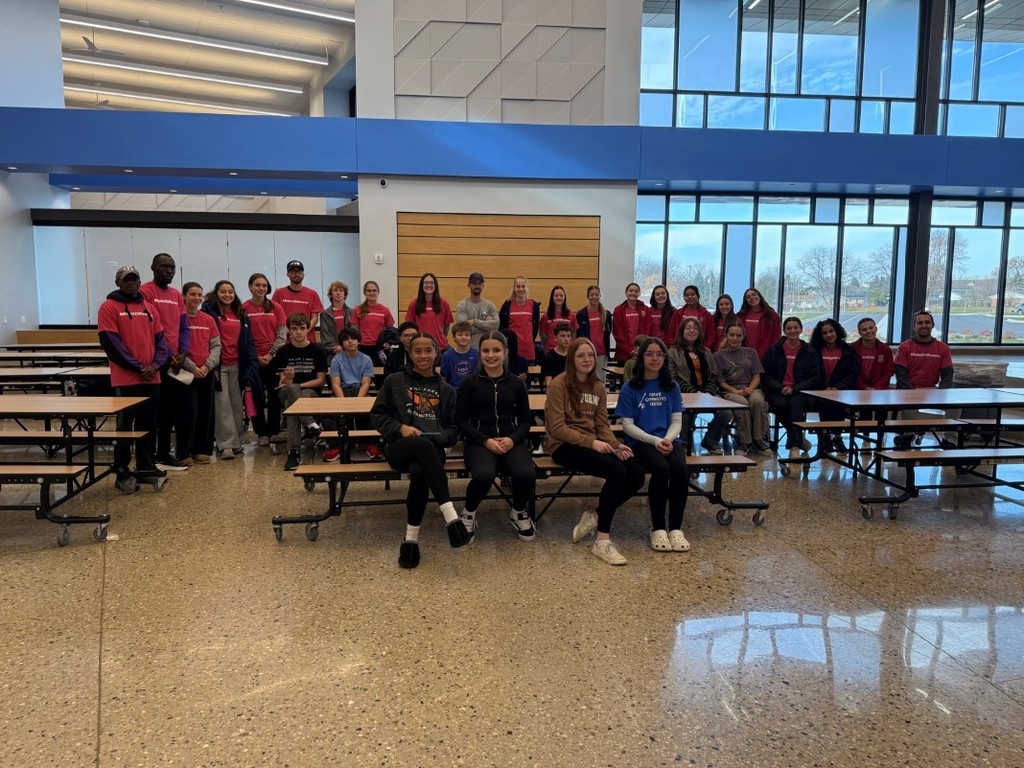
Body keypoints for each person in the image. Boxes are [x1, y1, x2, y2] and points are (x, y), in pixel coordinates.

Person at [370, 333, 471, 568]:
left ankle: (411, 541)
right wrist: (400, 427)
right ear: (410, 353)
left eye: (428, 351)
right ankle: (451, 516)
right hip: (399, 447)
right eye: (418, 351)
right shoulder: (395, 381)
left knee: (420, 470)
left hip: (431, 453)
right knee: (422, 448)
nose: (423, 356)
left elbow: (453, 430)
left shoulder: (446, 391)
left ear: (436, 354)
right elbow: (377, 416)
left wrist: (438, 437)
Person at [545, 338, 645, 566]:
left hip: (592, 442)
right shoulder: (559, 385)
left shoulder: (598, 387)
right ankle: (602, 541)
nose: (587, 360)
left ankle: (595, 515)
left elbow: (602, 426)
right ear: (572, 359)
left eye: (590, 355)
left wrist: (615, 444)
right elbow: (558, 428)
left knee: (636, 473)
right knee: (617, 472)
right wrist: (593, 443)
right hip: (562, 446)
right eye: (581, 355)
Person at [456, 331, 536, 542]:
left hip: (511, 439)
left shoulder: (516, 384)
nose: (491, 355)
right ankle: (468, 513)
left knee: (526, 473)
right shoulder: (469, 383)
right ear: (479, 353)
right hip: (479, 441)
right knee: (483, 475)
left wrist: (513, 439)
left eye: (496, 350)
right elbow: (461, 422)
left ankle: (518, 511)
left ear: (505, 353)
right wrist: (485, 441)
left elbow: (526, 421)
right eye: (486, 351)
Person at [615, 336, 690, 553]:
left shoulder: (672, 386)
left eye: (659, 354)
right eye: (649, 354)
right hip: (640, 442)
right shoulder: (630, 387)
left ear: (665, 358)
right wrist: (655, 440)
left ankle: (676, 527)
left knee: (678, 467)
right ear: (642, 357)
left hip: (668, 439)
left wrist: (667, 439)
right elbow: (627, 426)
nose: (655, 358)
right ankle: (657, 527)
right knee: (661, 468)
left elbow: (677, 421)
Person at [97, 265, 169, 483]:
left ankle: (145, 464)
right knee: (125, 426)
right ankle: (122, 468)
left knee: (149, 423)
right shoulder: (109, 307)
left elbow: (161, 342)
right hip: (126, 378)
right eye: (126, 279)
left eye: (134, 279)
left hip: (152, 377)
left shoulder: (149, 308)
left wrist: (155, 366)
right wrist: (139, 367)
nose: (131, 283)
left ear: (140, 282)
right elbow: (111, 344)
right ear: (118, 282)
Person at [140, 253, 190, 471]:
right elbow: (151, 328)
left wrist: (184, 352)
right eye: (164, 267)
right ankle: (148, 456)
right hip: (157, 361)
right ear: (153, 267)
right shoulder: (145, 292)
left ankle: (163, 454)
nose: (168, 271)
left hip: (175, 362)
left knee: (170, 410)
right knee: (154, 412)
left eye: (172, 267)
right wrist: (169, 355)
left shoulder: (177, 295)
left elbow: (184, 326)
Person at [202, 279, 262, 461]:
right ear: (216, 293)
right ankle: (226, 445)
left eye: (230, 291)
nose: (227, 295)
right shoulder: (209, 312)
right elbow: (205, 339)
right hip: (218, 366)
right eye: (223, 291)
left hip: (238, 365)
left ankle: (237, 441)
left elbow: (248, 341)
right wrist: (209, 365)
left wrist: (251, 365)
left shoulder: (240, 314)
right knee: (222, 406)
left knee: (237, 405)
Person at [269, 312, 329, 471]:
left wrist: (296, 385)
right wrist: (289, 381)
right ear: (289, 330)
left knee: (292, 405)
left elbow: (321, 381)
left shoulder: (318, 350)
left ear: (308, 329)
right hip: (286, 390)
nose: (298, 332)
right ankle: (310, 423)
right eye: (294, 328)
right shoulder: (282, 352)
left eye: (302, 328)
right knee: (290, 390)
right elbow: (283, 382)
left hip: (310, 393)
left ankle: (293, 452)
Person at [762, 316, 823, 460]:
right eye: (789, 328)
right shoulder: (774, 349)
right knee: (780, 404)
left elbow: (816, 377)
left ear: (801, 329)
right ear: (784, 330)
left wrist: (794, 389)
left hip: (800, 391)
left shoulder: (809, 351)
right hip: (777, 390)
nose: (792, 330)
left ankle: (794, 446)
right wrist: (781, 387)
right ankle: (797, 437)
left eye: (796, 327)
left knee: (795, 404)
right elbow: (765, 374)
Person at [893, 310, 955, 449]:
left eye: (927, 322)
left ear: (933, 325)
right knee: (909, 405)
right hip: (910, 390)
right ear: (914, 327)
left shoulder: (942, 348)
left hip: (932, 390)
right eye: (920, 323)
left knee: (955, 403)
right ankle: (908, 436)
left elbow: (947, 375)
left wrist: (941, 393)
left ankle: (950, 439)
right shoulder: (905, 347)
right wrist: (911, 393)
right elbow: (901, 374)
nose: (923, 325)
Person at [668, 316, 728, 455]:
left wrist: (708, 392)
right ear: (681, 331)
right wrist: (694, 393)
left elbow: (714, 374)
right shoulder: (673, 352)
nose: (692, 330)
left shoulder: (706, 351)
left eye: (695, 328)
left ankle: (710, 440)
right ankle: (685, 446)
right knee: (686, 414)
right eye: (688, 328)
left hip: (707, 393)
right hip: (685, 394)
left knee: (725, 412)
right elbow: (673, 378)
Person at [242, 272, 287, 446]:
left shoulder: (276, 307)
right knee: (255, 396)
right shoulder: (243, 308)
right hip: (253, 360)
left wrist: (270, 354)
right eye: (257, 285)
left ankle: (274, 431)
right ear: (250, 287)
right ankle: (261, 433)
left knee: (276, 395)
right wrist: (256, 356)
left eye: (264, 285)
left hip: (274, 358)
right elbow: (243, 337)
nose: (261, 288)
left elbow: (282, 334)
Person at [179, 281, 220, 465]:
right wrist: (192, 367)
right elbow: (176, 347)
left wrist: (206, 367)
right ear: (184, 296)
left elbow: (216, 346)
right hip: (186, 372)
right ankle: (184, 451)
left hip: (206, 372)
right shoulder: (178, 319)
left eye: (199, 295)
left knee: (206, 411)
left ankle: (202, 449)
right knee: (188, 412)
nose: (196, 298)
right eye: (193, 294)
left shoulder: (208, 319)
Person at [714, 322, 770, 456]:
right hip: (730, 391)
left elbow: (757, 375)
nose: (734, 338)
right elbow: (720, 381)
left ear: (743, 336)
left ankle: (758, 439)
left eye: (738, 335)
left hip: (751, 388)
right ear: (726, 335)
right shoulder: (718, 356)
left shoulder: (751, 352)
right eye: (732, 335)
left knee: (757, 401)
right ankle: (745, 442)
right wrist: (735, 391)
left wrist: (750, 389)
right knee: (742, 404)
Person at [810, 318, 860, 454]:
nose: (829, 335)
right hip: (819, 390)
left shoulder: (847, 350)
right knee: (825, 402)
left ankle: (837, 437)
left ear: (837, 331)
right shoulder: (814, 350)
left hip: (841, 390)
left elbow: (853, 373)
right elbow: (812, 372)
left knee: (838, 403)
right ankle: (826, 437)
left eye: (831, 331)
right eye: (825, 333)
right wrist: (824, 387)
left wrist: (838, 387)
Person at [324, 327, 375, 463]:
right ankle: (335, 445)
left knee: (375, 407)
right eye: (346, 339)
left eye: (353, 338)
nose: (350, 341)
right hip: (343, 390)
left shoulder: (366, 359)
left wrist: (357, 402)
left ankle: (371, 443)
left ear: (359, 341)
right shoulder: (336, 360)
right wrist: (343, 403)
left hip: (360, 391)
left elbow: (366, 383)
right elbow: (335, 384)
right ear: (342, 343)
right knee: (329, 408)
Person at [405, 272, 454, 353]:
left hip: (440, 347)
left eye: (431, 283)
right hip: (420, 347)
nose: (429, 285)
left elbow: (447, 325)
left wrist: (441, 337)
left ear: (435, 285)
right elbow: (410, 326)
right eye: (426, 283)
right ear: (421, 285)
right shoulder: (414, 303)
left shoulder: (444, 303)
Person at [499, 276, 540, 364]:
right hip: (511, 350)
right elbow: (502, 328)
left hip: (528, 350)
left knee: (526, 376)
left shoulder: (534, 305)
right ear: (514, 288)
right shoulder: (507, 305)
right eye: (518, 286)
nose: (521, 289)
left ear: (527, 287)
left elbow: (535, 328)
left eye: (523, 286)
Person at [271, 260, 323, 327]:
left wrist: (304, 331)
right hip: (285, 336)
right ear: (287, 274)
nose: (296, 274)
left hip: (307, 336)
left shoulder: (313, 294)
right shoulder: (279, 293)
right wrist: (289, 331)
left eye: (299, 271)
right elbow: (275, 316)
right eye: (293, 272)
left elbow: (315, 318)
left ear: (303, 274)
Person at [454, 272, 499, 349]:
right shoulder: (462, 305)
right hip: (468, 350)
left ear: (483, 285)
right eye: (474, 283)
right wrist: (487, 325)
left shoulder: (490, 305)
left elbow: (496, 326)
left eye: (479, 283)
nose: (477, 286)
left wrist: (475, 322)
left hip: (487, 350)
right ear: (468, 285)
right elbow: (463, 331)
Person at [576, 285, 611, 382]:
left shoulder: (606, 314)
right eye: (592, 295)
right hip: (587, 353)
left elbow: (608, 332)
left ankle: (601, 398)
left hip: (601, 353)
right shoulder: (581, 314)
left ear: (600, 296)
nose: (594, 297)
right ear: (588, 296)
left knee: (600, 380)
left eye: (597, 294)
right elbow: (578, 335)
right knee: (586, 379)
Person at [352, 280, 395, 360]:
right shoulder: (357, 310)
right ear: (365, 293)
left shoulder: (385, 310)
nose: (371, 293)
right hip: (363, 348)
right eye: (368, 291)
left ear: (378, 292)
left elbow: (391, 330)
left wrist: (388, 342)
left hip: (380, 348)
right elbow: (354, 330)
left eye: (374, 290)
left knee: (381, 371)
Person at [737, 287, 782, 360]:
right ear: (746, 301)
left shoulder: (772, 315)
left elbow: (776, 338)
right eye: (748, 297)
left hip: (765, 356)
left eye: (754, 294)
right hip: (745, 356)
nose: (752, 298)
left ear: (759, 295)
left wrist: (772, 354)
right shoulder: (741, 315)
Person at [852, 317, 894, 392]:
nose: (868, 331)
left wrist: (876, 388)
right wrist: (863, 387)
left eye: (871, 328)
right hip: (856, 390)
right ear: (859, 333)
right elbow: (850, 372)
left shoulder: (885, 350)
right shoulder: (852, 349)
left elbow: (888, 372)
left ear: (876, 329)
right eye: (864, 329)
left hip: (879, 391)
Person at [611, 282, 648, 364]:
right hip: (624, 354)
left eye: (636, 291)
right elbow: (618, 334)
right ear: (626, 292)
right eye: (631, 291)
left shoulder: (645, 309)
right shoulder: (618, 310)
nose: (633, 293)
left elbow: (647, 330)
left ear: (639, 293)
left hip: (641, 353)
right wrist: (630, 350)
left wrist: (640, 349)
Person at [319, 280, 356, 358]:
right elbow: (325, 336)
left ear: (345, 294)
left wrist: (343, 347)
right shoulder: (324, 314)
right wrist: (338, 348)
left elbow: (354, 333)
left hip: (350, 353)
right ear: (331, 294)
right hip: (332, 355)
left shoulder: (352, 312)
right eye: (335, 290)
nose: (338, 292)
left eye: (341, 290)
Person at [674, 285, 715, 351]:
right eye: (687, 295)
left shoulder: (706, 315)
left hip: (700, 350)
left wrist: (704, 349)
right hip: (680, 350)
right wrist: (675, 348)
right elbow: (670, 333)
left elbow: (711, 335)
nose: (689, 297)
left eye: (692, 294)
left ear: (698, 296)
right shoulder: (677, 314)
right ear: (684, 298)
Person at [440, 320, 479, 390]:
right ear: (454, 337)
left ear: (471, 337)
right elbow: (443, 378)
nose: (463, 337)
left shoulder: (477, 354)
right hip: (453, 392)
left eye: (467, 335)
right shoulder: (447, 355)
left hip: (472, 391)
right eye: (460, 335)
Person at [539, 285, 578, 351]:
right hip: (550, 351)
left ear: (564, 298)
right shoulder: (545, 316)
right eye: (556, 295)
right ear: (552, 297)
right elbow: (543, 335)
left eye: (561, 296)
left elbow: (574, 334)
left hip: (567, 351)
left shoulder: (571, 316)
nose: (559, 298)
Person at [541, 321, 574, 388]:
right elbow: (548, 383)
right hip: (556, 391)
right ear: (555, 338)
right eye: (563, 336)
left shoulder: (574, 356)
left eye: (568, 336)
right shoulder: (549, 357)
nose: (566, 339)